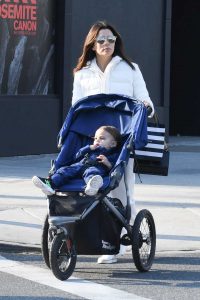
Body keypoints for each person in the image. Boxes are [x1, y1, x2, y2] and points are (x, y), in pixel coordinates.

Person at [71, 20, 155, 264]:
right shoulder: (82, 73)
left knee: (121, 188)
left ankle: (115, 243)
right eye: (101, 40)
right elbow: (75, 107)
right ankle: (89, 232)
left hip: (121, 139)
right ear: (92, 44)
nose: (107, 44)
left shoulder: (130, 69)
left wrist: (144, 109)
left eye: (111, 39)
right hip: (93, 138)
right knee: (84, 180)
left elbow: (145, 101)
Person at [32, 125, 122, 196]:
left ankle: (92, 186)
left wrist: (107, 163)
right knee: (64, 170)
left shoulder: (112, 154)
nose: (97, 140)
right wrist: (88, 148)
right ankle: (50, 184)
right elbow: (77, 156)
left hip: (96, 168)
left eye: (102, 138)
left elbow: (114, 169)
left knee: (92, 172)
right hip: (79, 166)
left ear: (113, 144)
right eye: (95, 138)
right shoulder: (90, 149)